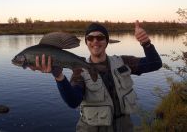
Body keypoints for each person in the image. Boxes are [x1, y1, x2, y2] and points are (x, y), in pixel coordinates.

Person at [29, 21, 162, 132]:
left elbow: (155, 64)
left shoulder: (123, 62)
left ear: (107, 41)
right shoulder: (79, 71)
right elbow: (73, 101)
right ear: (86, 42)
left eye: (100, 37)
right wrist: (58, 76)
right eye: (90, 38)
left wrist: (146, 43)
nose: (95, 41)